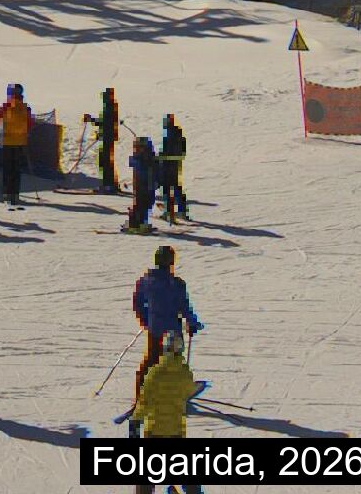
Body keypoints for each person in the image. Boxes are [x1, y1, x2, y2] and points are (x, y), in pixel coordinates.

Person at [131, 331, 203, 492]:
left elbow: (144, 402)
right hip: (175, 431)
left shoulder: (154, 373)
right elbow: (189, 390)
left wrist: (135, 422)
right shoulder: (184, 374)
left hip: (154, 431)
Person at [131, 245, 202, 402]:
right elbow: (184, 307)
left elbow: (138, 303)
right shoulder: (176, 284)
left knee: (151, 359)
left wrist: (145, 320)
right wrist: (192, 322)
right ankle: (175, 391)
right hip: (172, 329)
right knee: (174, 361)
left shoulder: (146, 280)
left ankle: (140, 393)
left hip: (155, 327)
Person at [0, 83, 34, 206]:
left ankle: (6, 194)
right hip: (20, 143)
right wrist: (26, 135)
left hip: (7, 142)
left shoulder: (6, 106)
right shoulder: (25, 108)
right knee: (16, 169)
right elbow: (30, 123)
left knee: (7, 168)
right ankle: (15, 194)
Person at [84, 87, 121, 193]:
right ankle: (111, 184)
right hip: (108, 136)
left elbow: (105, 123)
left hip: (108, 137)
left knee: (105, 162)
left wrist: (92, 120)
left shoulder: (110, 108)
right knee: (106, 161)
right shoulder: (110, 107)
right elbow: (105, 123)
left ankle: (109, 185)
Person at [158, 114, 189, 223]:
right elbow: (181, 153)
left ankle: (168, 212)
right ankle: (182, 211)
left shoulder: (170, 135)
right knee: (177, 188)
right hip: (175, 166)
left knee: (167, 189)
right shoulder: (179, 134)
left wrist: (161, 158)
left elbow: (167, 152)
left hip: (168, 166)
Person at [126, 135, 159, 234]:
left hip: (149, 186)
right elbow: (133, 162)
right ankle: (135, 224)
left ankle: (142, 223)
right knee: (141, 205)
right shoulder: (138, 159)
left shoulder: (150, 158)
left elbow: (156, 170)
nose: (137, 149)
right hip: (141, 186)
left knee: (148, 204)